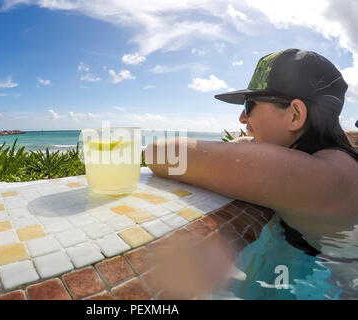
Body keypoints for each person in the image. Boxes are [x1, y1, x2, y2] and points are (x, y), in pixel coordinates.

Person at [145, 48, 358, 256]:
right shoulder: (336, 161)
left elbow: (158, 153)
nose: (242, 119)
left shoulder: (321, 177)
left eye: (249, 106)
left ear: (295, 115)